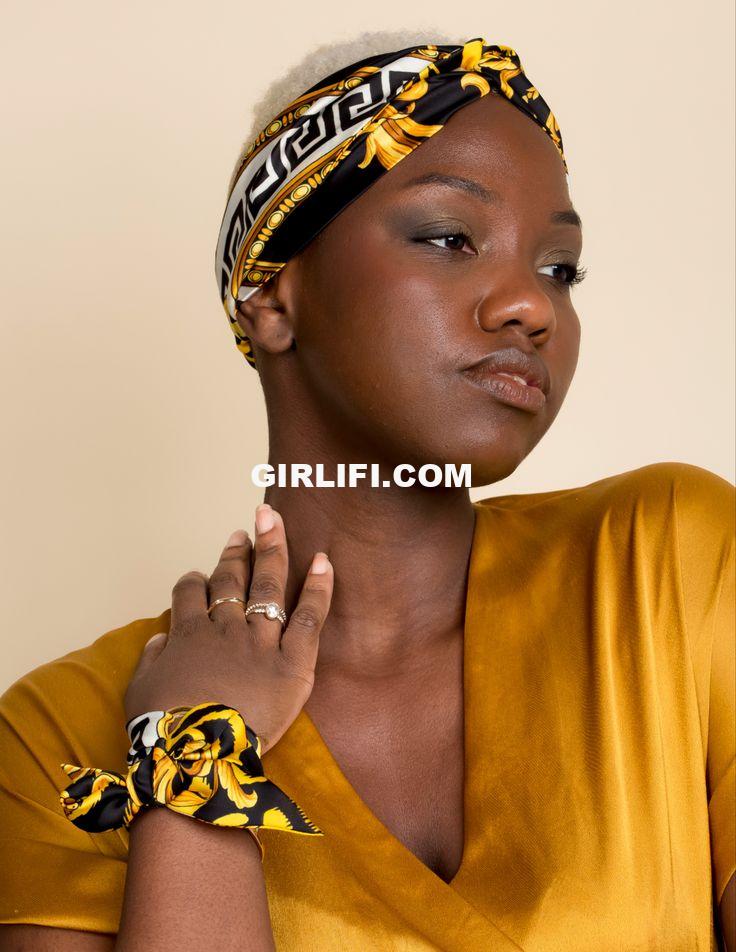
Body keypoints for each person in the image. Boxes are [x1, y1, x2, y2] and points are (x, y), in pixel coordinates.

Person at [0, 29, 734, 952]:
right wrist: (192, 748)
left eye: (559, 269)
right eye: (449, 238)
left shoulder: (667, 569)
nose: (532, 305)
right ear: (273, 298)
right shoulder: (57, 738)